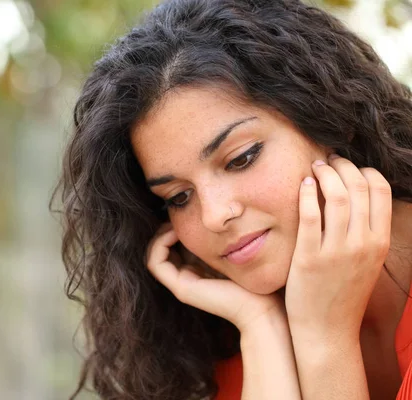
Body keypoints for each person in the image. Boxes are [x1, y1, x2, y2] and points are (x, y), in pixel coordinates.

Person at [52, 0, 412, 398]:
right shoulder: (235, 342)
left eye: (242, 158)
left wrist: (324, 337)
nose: (213, 215)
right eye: (178, 196)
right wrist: (261, 325)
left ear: (333, 119)